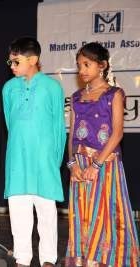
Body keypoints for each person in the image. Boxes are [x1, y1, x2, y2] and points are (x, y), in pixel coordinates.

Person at [65, 42, 139, 266]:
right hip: (79, 163)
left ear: (102, 65)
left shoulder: (114, 94)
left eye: (87, 64)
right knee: (81, 216)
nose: (82, 70)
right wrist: (72, 164)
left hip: (104, 164)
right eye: (79, 66)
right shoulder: (76, 97)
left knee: (106, 215)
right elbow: (72, 135)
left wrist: (95, 165)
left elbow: (117, 134)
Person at [2, 37, 66, 267]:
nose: (11, 66)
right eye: (9, 62)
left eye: (15, 61)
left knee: (47, 213)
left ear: (33, 60)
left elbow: (59, 127)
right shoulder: (8, 88)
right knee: (18, 212)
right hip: (18, 159)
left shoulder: (52, 88)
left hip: (44, 160)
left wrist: (53, 160)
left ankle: (48, 259)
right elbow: (11, 123)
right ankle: (22, 258)